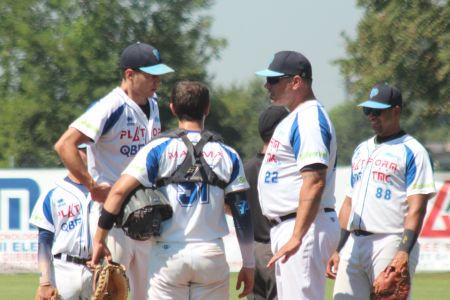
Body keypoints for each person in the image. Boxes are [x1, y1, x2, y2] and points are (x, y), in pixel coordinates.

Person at [91, 80, 255, 299]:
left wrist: (99, 238)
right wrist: (249, 264)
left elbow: (118, 192)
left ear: (172, 108)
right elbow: (242, 212)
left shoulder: (157, 149)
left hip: (168, 254)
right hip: (210, 253)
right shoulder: (228, 154)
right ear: (207, 108)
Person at [54, 42, 174, 300]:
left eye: (158, 75)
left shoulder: (153, 105)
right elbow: (65, 145)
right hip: (113, 217)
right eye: (151, 75)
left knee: (148, 294)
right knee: (110, 291)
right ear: (130, 75)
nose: (157, 82)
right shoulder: (111, 106)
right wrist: (92, 186)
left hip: (145, 213)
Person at [326, 83, 436, 299]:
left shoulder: (413, 151)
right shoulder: (361, 149)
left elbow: (417, 209)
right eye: (368, 110)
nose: (371, 116)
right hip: (354, 242)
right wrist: (336, 247)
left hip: (390, 240)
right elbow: (349, 203)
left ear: (396, 111)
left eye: (378, 111)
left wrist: (403, 251)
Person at [255, 50, 340, 299]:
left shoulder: (309, 119)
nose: (267, 85)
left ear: (296, 81)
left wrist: (297, 236)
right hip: (295, 225)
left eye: (274, 80)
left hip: (304, 225)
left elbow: (314, 180)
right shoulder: (298, 117)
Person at [30, 144, 92, 300]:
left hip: (96, 269)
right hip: (62, 269)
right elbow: (44, 240)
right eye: (81, 151)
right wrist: (45, 282)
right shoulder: (54, 192)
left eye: (89, 150)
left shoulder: (104, 191)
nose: (86, 155)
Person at [244, 105, 289, 300]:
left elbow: (230, 207)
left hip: (253, 249)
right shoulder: (287, 167)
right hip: (279, 246)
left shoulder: (246, 168)